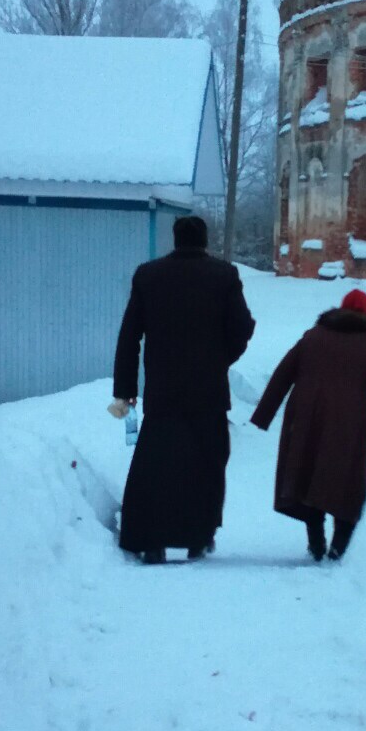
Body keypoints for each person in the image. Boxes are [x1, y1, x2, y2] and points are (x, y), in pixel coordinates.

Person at [110, 215, 255, 564]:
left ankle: (151, 540)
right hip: (208, 392)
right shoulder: (224, 275)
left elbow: (130, 336)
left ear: (175, 240)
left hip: (163, 390)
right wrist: (219, 359)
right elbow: (242, 328)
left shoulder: (149, 275)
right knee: (207, 463)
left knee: (158, 464)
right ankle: (198, 537)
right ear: (204, 240)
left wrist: (126, 389)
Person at [251, 288, 366, 562]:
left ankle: (316, 543)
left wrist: (264, 415)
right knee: (346, 481)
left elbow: (283, 373)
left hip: (306, 417)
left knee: (307, 476)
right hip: (350, 423)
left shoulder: (313, 336)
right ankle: (339, 546)